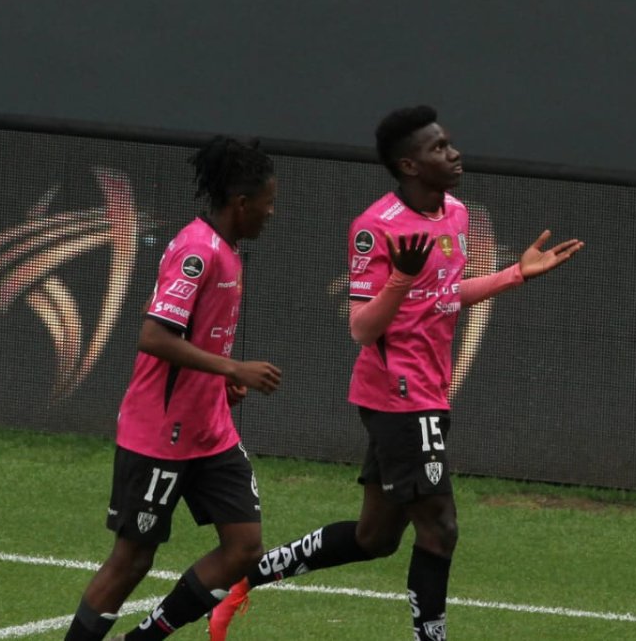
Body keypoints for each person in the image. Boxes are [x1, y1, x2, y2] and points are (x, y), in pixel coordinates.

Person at [207, 105, 583, 640]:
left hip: (429, 389)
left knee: (374, 537)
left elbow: (445, 298)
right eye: (438, 148)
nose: (452, 154)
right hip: (397, 394)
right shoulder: (374, 228)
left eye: (449, 143)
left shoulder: (455, 214)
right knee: (441, 529)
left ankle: (246, 577)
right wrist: (401, 280)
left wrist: (514, 275)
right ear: (409, 165)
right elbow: (362, 327)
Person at [64, 136, 284, 641]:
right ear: (241, 203)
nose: (272, 213)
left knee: (244, 546)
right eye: (268, 203)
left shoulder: (227, 251)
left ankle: (144, 638)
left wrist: (222, 385)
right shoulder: (196, 250)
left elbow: (201, 334)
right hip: (159, 433)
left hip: (211, 431)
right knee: (132, 559)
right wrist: (232, 369)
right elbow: (154, 336)